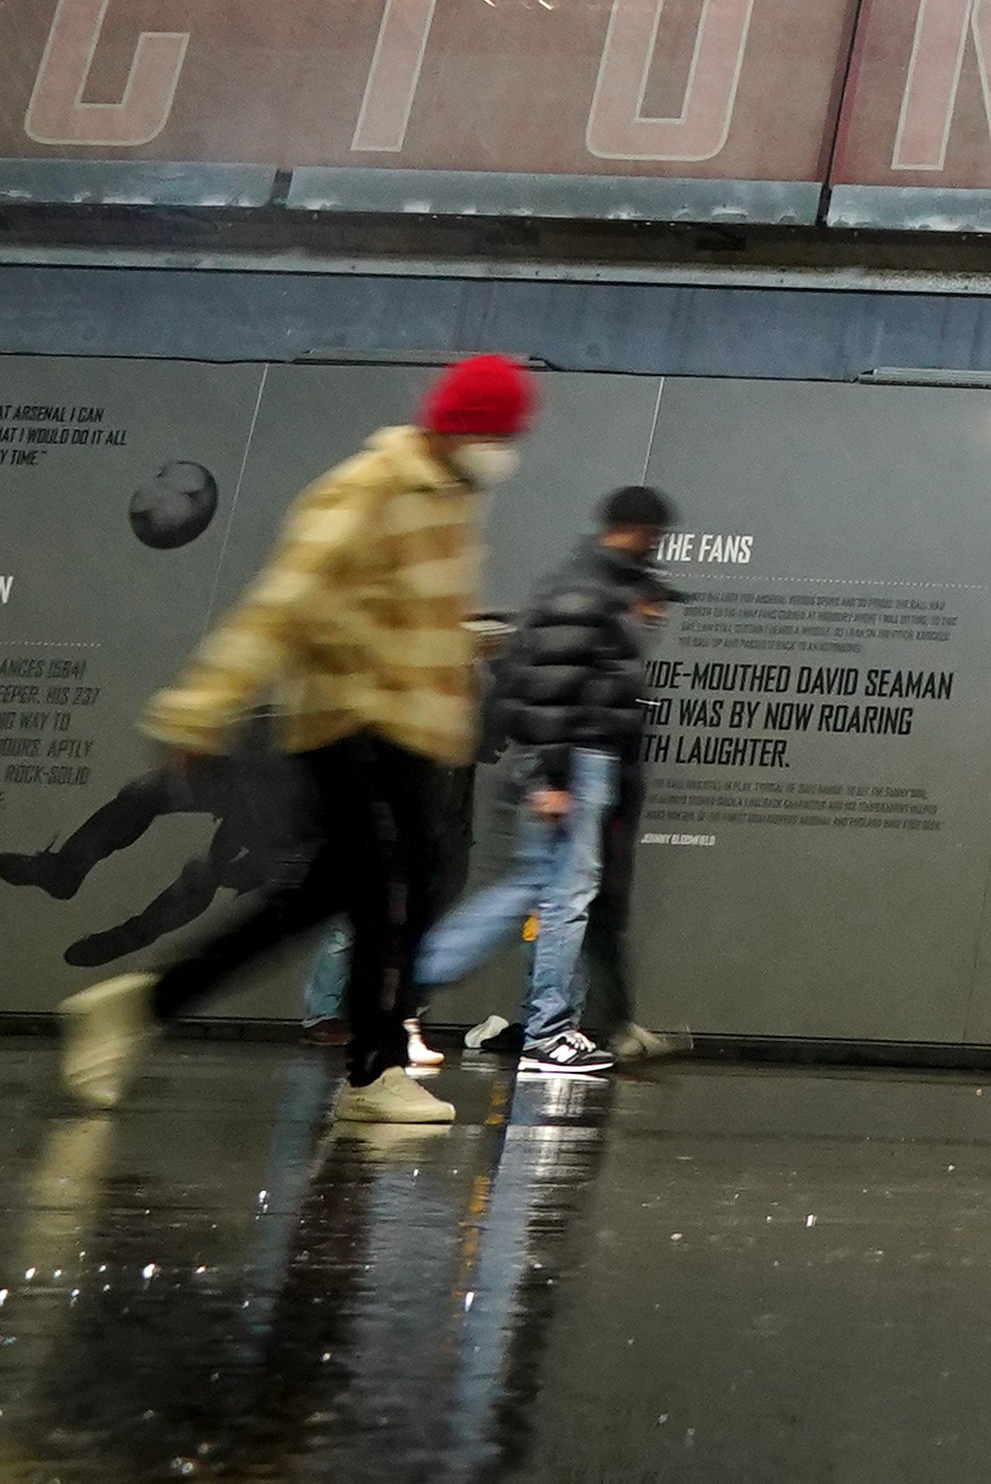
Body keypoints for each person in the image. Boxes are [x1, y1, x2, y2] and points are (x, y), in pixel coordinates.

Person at [54, 353, 531, 1127]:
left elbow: (413, 614)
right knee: (384, 898)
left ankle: (144, 1005)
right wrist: (197, 711)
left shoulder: (449, 494)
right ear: (464, 424)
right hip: (350, 726)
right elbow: (279, 606)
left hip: (408, 735)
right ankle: (370, 1069)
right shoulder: (370, 489)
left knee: (330, 897)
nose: (507, 449)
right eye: (501, 432)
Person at [403, 483, 676, 1082]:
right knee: (563, 894)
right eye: (655, 537)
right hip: (577, 760)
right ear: (638, 531)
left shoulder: (594, 585)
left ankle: (411, 988)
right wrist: (553, 777)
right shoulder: (588, 590)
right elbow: (553, 683)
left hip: (577, 760)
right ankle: (545, 1031)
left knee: (537, 888)